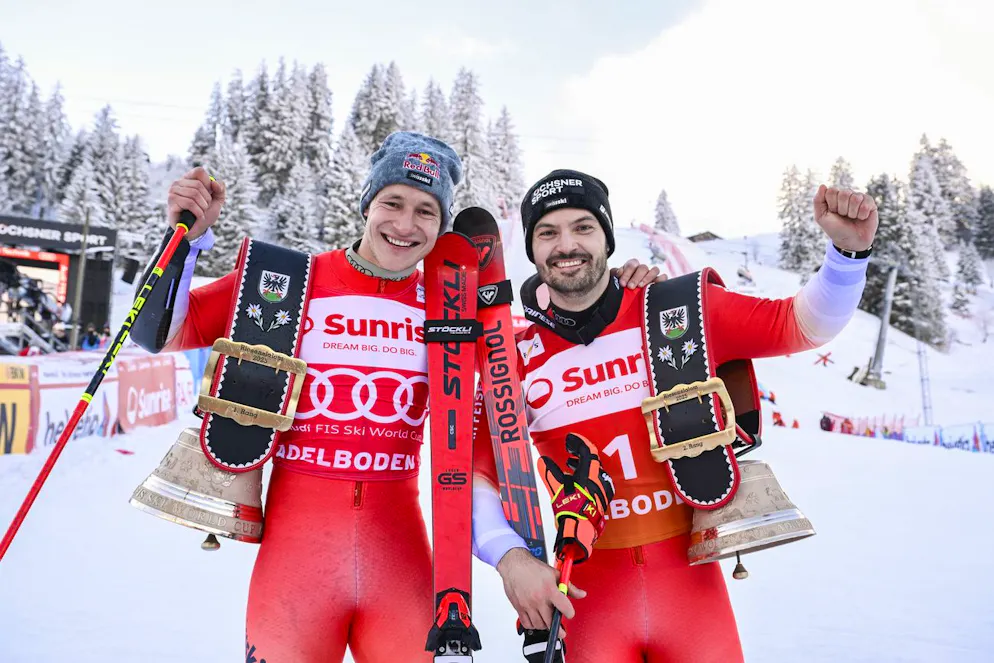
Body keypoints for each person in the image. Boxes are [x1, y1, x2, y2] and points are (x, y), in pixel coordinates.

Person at [134, 133, 663, 663]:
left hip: (399, 563)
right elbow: (161, 331)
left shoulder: (451, 308)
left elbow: (540, 346)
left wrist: (623, 294)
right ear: (367, 203)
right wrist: (184, 242)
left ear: (442, 224)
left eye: (426, 211)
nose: (406, 225)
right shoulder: (293, 282)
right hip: (295, 568)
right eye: (393, 202)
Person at [471, 169, 877, 662]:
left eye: (583, 227)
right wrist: (510, 559)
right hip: (586, 597)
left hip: (690, 595)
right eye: (547, 232)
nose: (566, 245)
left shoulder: (677, 311)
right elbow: (473, 476)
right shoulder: (511, 358)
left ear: (607, 238)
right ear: (532, 249)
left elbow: (800, 324)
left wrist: (846, 256)